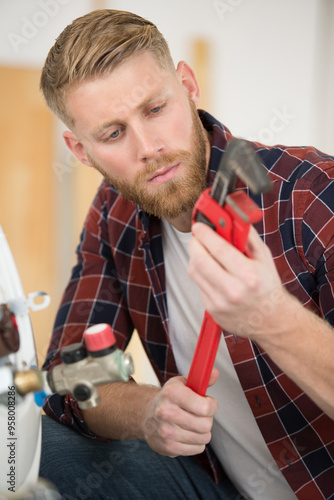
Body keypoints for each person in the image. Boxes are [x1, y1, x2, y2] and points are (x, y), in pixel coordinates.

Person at [39, 9, 334, 500]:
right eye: (113, 134)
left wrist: (270, 317)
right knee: (42, 448)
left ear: (188, 85)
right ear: (81, 151)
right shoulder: (113, 216)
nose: (149, 147)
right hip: (222, 488)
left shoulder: (312, 194)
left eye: (155, 109)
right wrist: (149, 412)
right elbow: (72, 381)